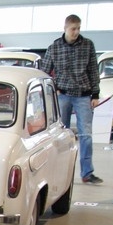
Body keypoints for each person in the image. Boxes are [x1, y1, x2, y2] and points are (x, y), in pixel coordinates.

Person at [41, 14, 102, 184]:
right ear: (65, 28)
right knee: (61, 136)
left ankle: (87, 173)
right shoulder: (54, 47)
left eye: (78, 28)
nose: (76, 32)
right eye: (73, 28)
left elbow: (93, 70)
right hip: (63, 95)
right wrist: (53, 90)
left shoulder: (88, 45)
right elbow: (44, 72)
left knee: (86, 135)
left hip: (83, 95)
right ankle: (59, 171)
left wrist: (95, 94)